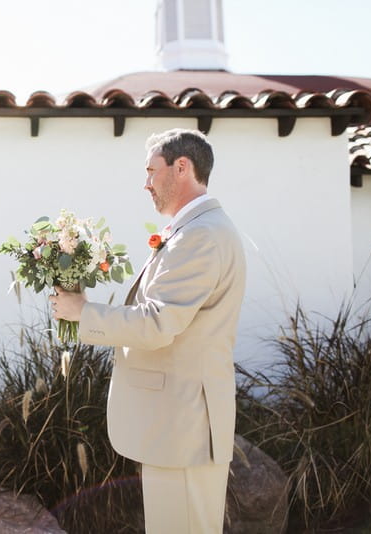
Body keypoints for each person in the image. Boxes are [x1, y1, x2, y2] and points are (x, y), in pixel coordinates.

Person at [49, 129, 246, 533]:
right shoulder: (196, 230)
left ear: (182, 167)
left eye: (151, 171)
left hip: (184, 423)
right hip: (179, 422)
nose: (146, 183)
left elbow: (158, 323)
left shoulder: (201, 236)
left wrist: (82, 313)